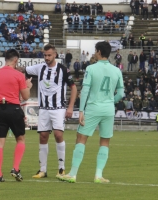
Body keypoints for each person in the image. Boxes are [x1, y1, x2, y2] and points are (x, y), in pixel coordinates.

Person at [57, 41, 124, 183]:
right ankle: (98, 175)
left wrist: (81, 110)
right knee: (105, 141)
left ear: (99, 52)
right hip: (108, 110)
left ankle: (73, 174)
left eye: (95, 50)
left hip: (93, 107)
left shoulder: (91, 69)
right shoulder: (117, 70)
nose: (94, 53)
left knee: (81, 139)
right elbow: (121, 93)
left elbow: (86, 89)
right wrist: (111, 101)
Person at [22, 44, 77, 179]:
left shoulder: (63, 70)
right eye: (45, 55)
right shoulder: (40, 68)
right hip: (44, 108)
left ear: (55, 55)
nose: (46, 58)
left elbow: (74, 88)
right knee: (43, 137)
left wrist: (70, 107)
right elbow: (22, 70)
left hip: (58, 108)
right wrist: (7, 70)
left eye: (49, 55)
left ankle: (61, 168)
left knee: (58, 135)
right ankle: (42, 170)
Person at [0, 49, 32, 182]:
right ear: (15, 60)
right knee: (20, 139)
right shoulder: (19, 75)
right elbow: (25, 97)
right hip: (14, 108)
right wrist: (28, 86)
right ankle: (15, 168)